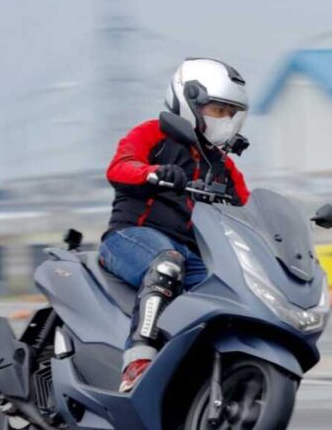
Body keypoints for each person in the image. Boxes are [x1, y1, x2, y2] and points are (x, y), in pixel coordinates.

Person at [99, 58, 251, 393]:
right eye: (218, 110)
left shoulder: (221, 164)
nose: (224, 120)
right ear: (190, 101)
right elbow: (119, 167)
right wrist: (152, 173)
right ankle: (138, 362)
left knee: (228, 290)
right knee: (167, 265)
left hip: (192, 252)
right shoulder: (153, 134)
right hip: (130, 237)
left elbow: (248, 208)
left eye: (230, 114)